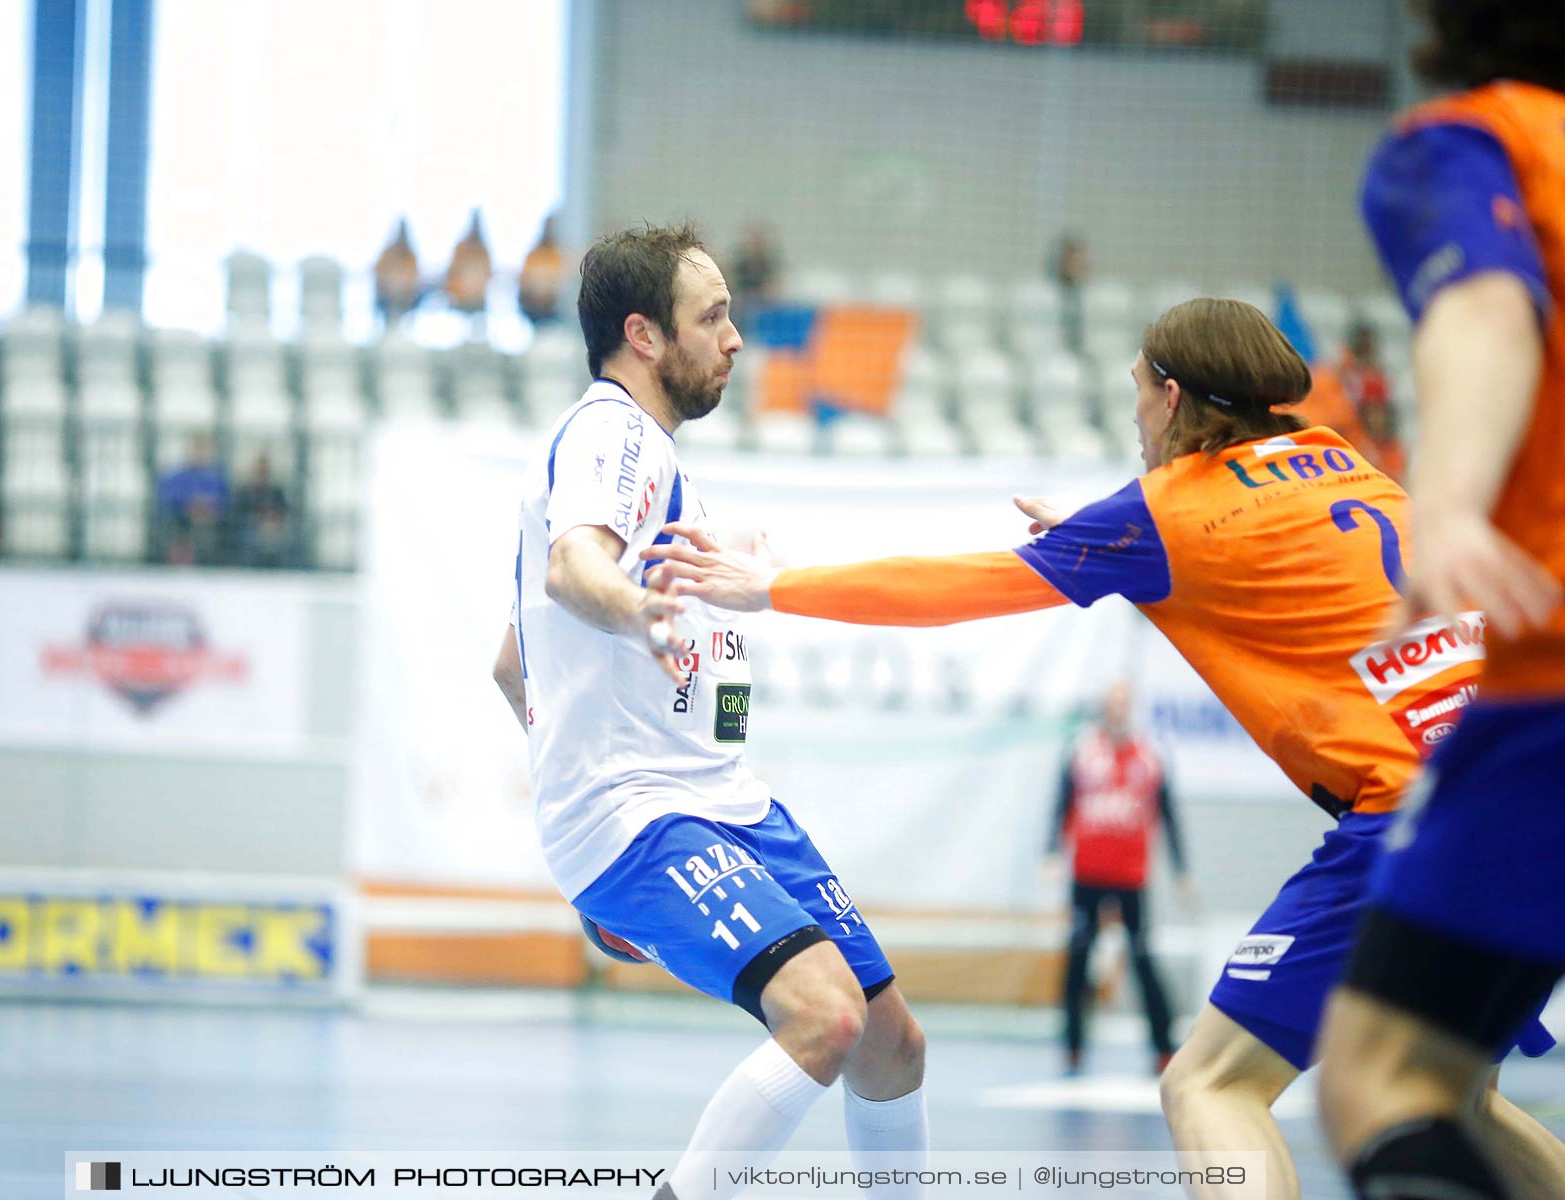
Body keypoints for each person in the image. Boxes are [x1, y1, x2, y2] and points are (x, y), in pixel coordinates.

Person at [644, 297, 1561, 1200]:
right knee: (1454, 1089)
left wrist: (772, 588)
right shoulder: (1341, 458)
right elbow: (1258, 543)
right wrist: (1098, 536)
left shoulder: (1164, 512)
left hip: (1421, 810)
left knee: (1210, 1083)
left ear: (1170, 397)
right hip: (1527, 785)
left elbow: (962, 587)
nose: (1131, 417)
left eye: (1135, 394)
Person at [491, 223, 927, 1200]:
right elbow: (573, 570)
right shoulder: (612, 432)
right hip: (644, 815)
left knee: (893, 1044)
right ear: (643, 336)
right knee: (826, 1017)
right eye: (714, 316)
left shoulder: (661, 467)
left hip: (728, 803)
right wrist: (632, 613)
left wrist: (578, 722)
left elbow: (511, 662)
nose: (736, 338)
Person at [1315, 4, 1565, 1198]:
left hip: (1551, 680)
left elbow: (1486, 302)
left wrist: (1452, 503)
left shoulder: (1470, 144)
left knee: (1381, 1073)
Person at [1046, 680, 1190, 1077]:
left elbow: (1169, 812)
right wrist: (1052, 851)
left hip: (1130, 877)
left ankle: (1163, 1047)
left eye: (1123, 703)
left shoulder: (1150, 754)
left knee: (1143, 957)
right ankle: (1073, 1045)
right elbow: (1062, 801)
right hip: (1087, 874)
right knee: (1078, 956)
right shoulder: (1082, 750)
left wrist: (1181, 870)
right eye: (1111, 702)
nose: (1117, 709)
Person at [156, 434, 229, 566]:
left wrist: (207, 508)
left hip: (208, 522)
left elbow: (223, 501)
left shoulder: (215, 477)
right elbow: (170, 498)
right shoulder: (177, 476)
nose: (199, 454)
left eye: (203, 450)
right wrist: (189, 505)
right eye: (196, 450)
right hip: (182, 521)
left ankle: (207, 563)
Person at [231, 452, 300, 569]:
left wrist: (272, 520)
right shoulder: (244, 493)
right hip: (250, 529)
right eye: (258, 472)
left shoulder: (276, 492)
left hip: (274, 529)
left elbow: (284, 512)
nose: (261, 476)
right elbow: (237, 514)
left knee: (280, 537)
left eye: (263, 472)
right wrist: (256, 520)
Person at [518, 214, 566, 326]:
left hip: (550, 305)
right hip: (531, 304)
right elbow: (525, 278)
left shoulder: (556, 255)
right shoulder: (533, 255)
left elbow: (560, 280)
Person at [444, 209, 492, 317]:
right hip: (459, 301)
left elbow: (489, 275)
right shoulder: (460, 250)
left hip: (478, 302)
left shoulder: (484, 252)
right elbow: (451, 273)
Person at [373, 219, 422, 326]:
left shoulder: (410, 256)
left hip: (406, 294)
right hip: (386, 293)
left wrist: (403, 286)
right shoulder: (387, 254)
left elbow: (414, 278)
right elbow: (377, 272)